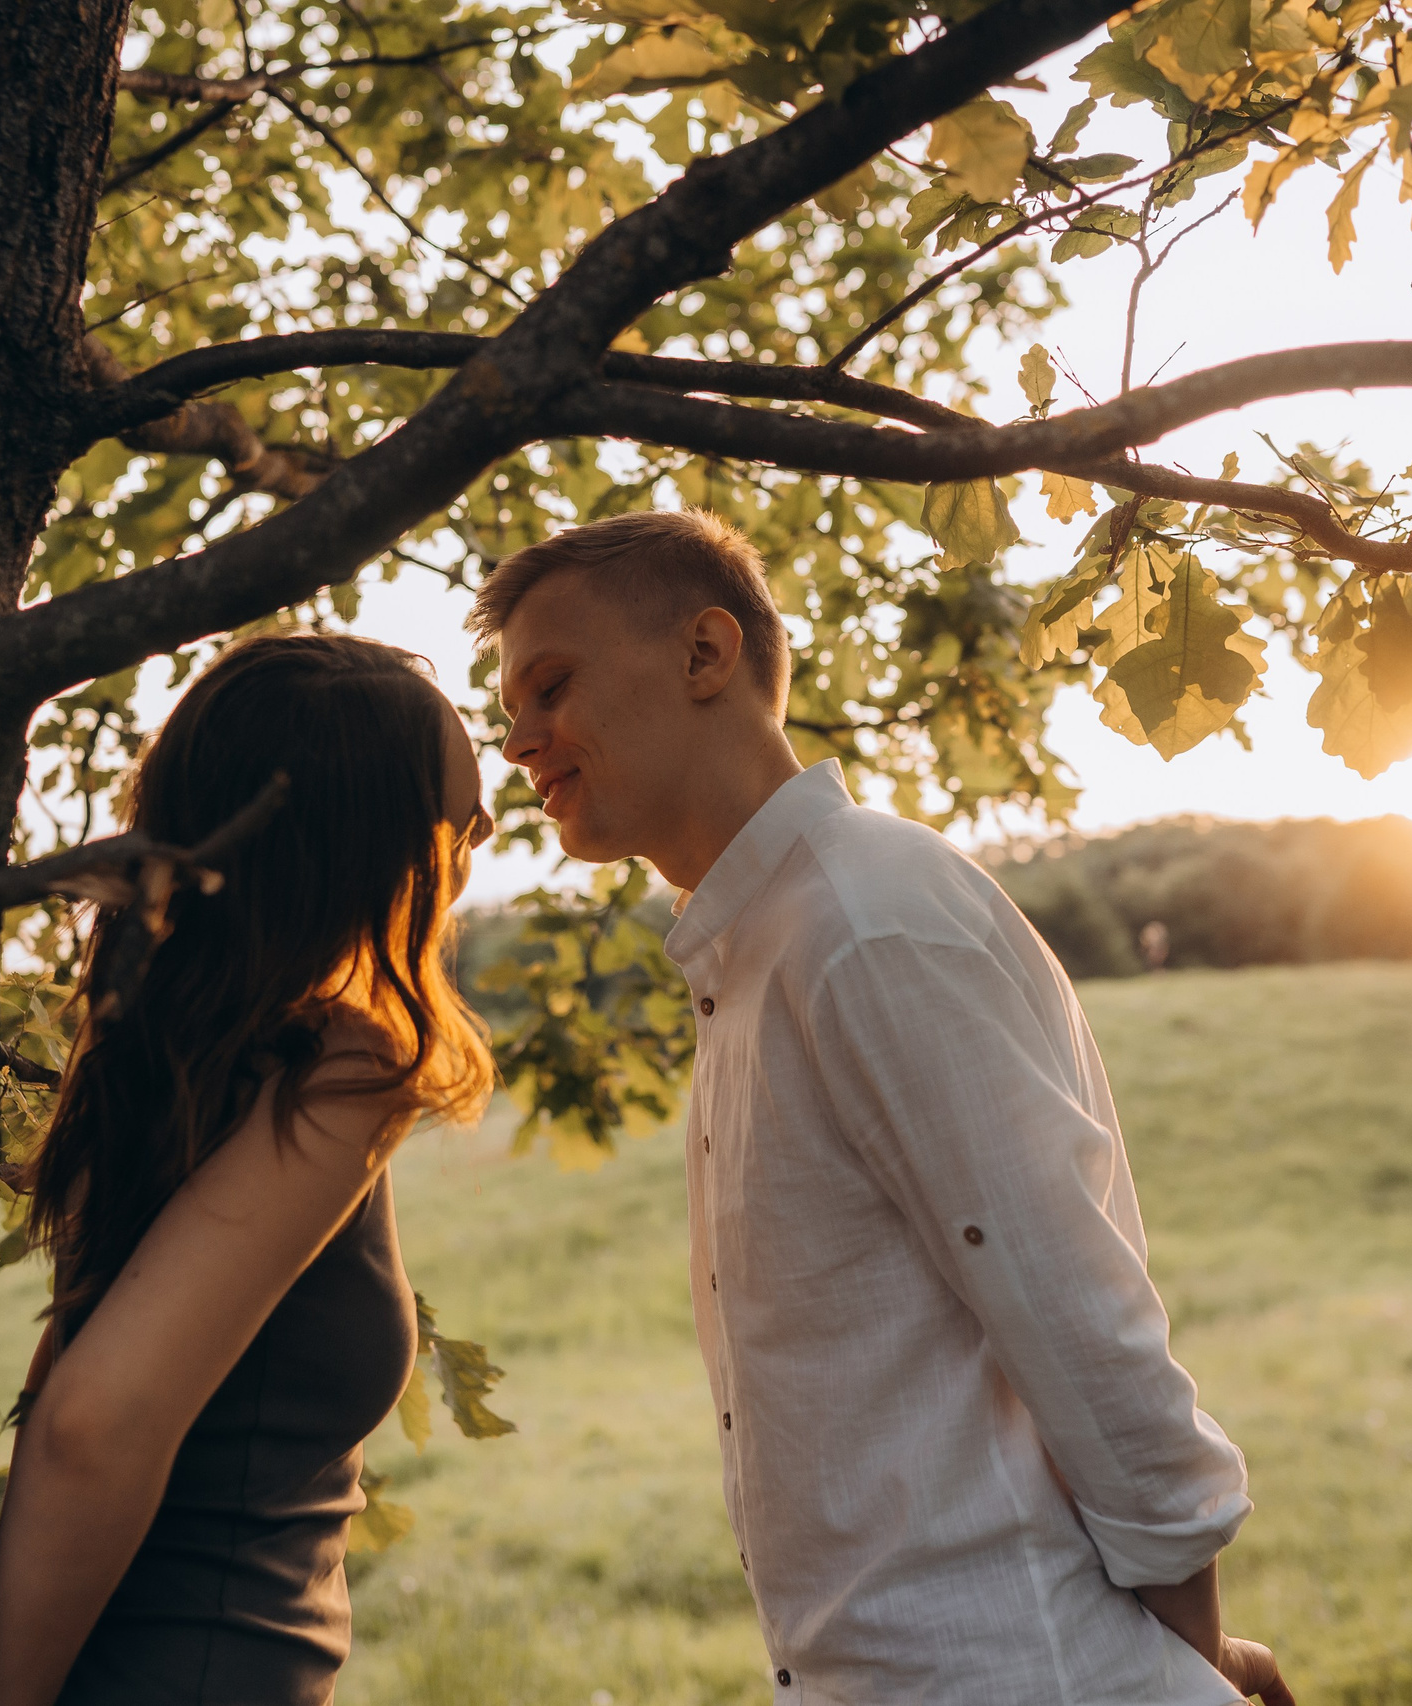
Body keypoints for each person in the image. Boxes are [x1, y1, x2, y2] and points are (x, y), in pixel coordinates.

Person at [471, 510, 1293, 1706]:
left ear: (707, 655)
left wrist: (1195, 1658)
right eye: (508, 711)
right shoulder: (763, 945)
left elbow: (1074, 1308)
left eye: (550, 687)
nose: (519, 740)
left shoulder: (865, 919)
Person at [0, 633, 495, 1706]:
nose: (478, 850)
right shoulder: (339, 1066)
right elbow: (89, 1419)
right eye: (461, 824)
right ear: (366, 848)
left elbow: (66, 1372)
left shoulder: (170, 1047)